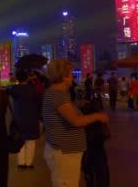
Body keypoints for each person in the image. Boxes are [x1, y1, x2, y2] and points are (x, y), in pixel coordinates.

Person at [42, 59, 109, 187]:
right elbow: (76, 121)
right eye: (71, 72)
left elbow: (62, 113)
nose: (73, 75)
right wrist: (97, 116)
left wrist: (77, 105)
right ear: (63, 76)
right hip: (64, 152)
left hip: (62, 150)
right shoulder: (58, 95)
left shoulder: (56, 93)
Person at [7, 68, 41, 169]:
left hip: (18, 118)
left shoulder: (14, 89)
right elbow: (39, 102)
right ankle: (29, 163)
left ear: (17, 78)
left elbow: (6, 93)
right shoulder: (32, 89)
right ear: (27, 78)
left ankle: (21, 163)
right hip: (31, 117)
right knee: (31, 141)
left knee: (19, 140)